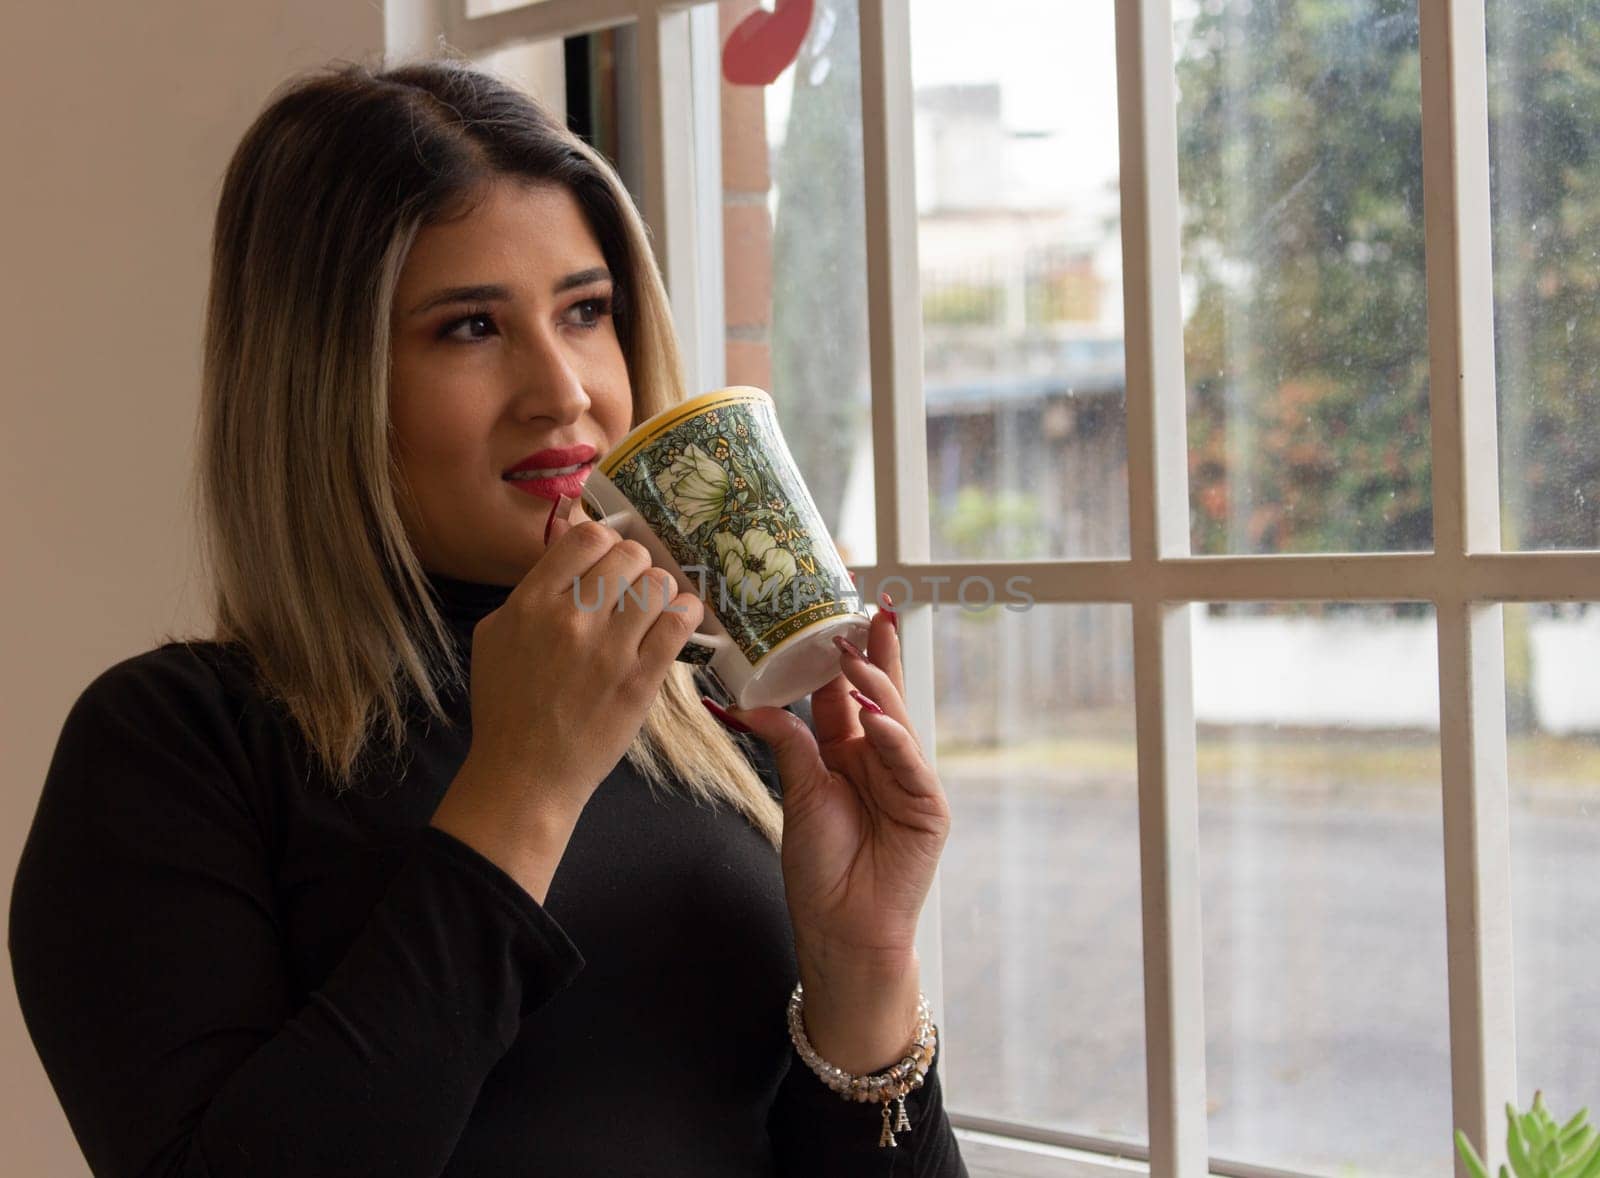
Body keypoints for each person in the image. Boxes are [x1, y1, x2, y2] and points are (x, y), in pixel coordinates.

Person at [8, 56, 968, 1177]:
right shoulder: (174, 747)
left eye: (586, 310)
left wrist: (866, 973)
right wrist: (526, 783)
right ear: (328, 383)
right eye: (470, 326)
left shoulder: (729, 715)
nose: (561, 388)